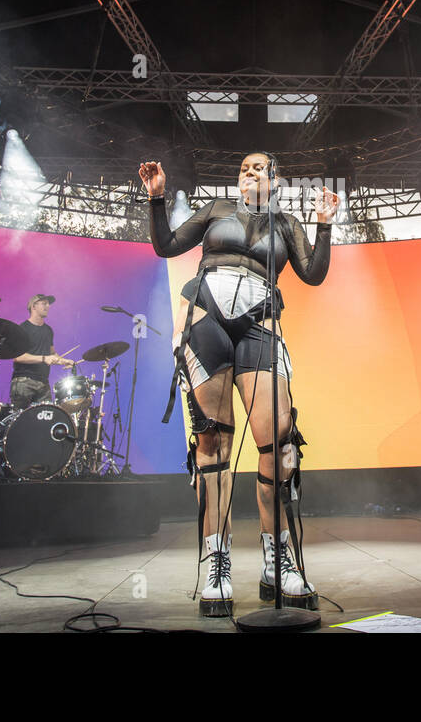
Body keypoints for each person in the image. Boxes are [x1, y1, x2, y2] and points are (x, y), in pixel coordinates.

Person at [139, 152, 338, 616]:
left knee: (280, 444)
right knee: (212, 443)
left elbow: (314, 273)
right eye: (245, 167)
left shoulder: (287, 223)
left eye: (260, 167)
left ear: (275, 179)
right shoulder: (215, 211)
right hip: (206, 320)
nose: (250, 171)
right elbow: (166, 245)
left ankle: (279, 560)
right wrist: (156, 199)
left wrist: (324, 224)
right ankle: (216, 560)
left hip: (259, 325)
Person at [10, 294, 75, 408]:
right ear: (34, 306)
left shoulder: (48, 330)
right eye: (44, 303)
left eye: (48, 304)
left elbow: (52, 353)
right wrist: (44, 359)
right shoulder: (23, 328)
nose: (48, 306)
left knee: (45, 421)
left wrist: (63, 361)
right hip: (23, 381)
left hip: (43, 383)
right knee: (19, 421)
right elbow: (17, 357)